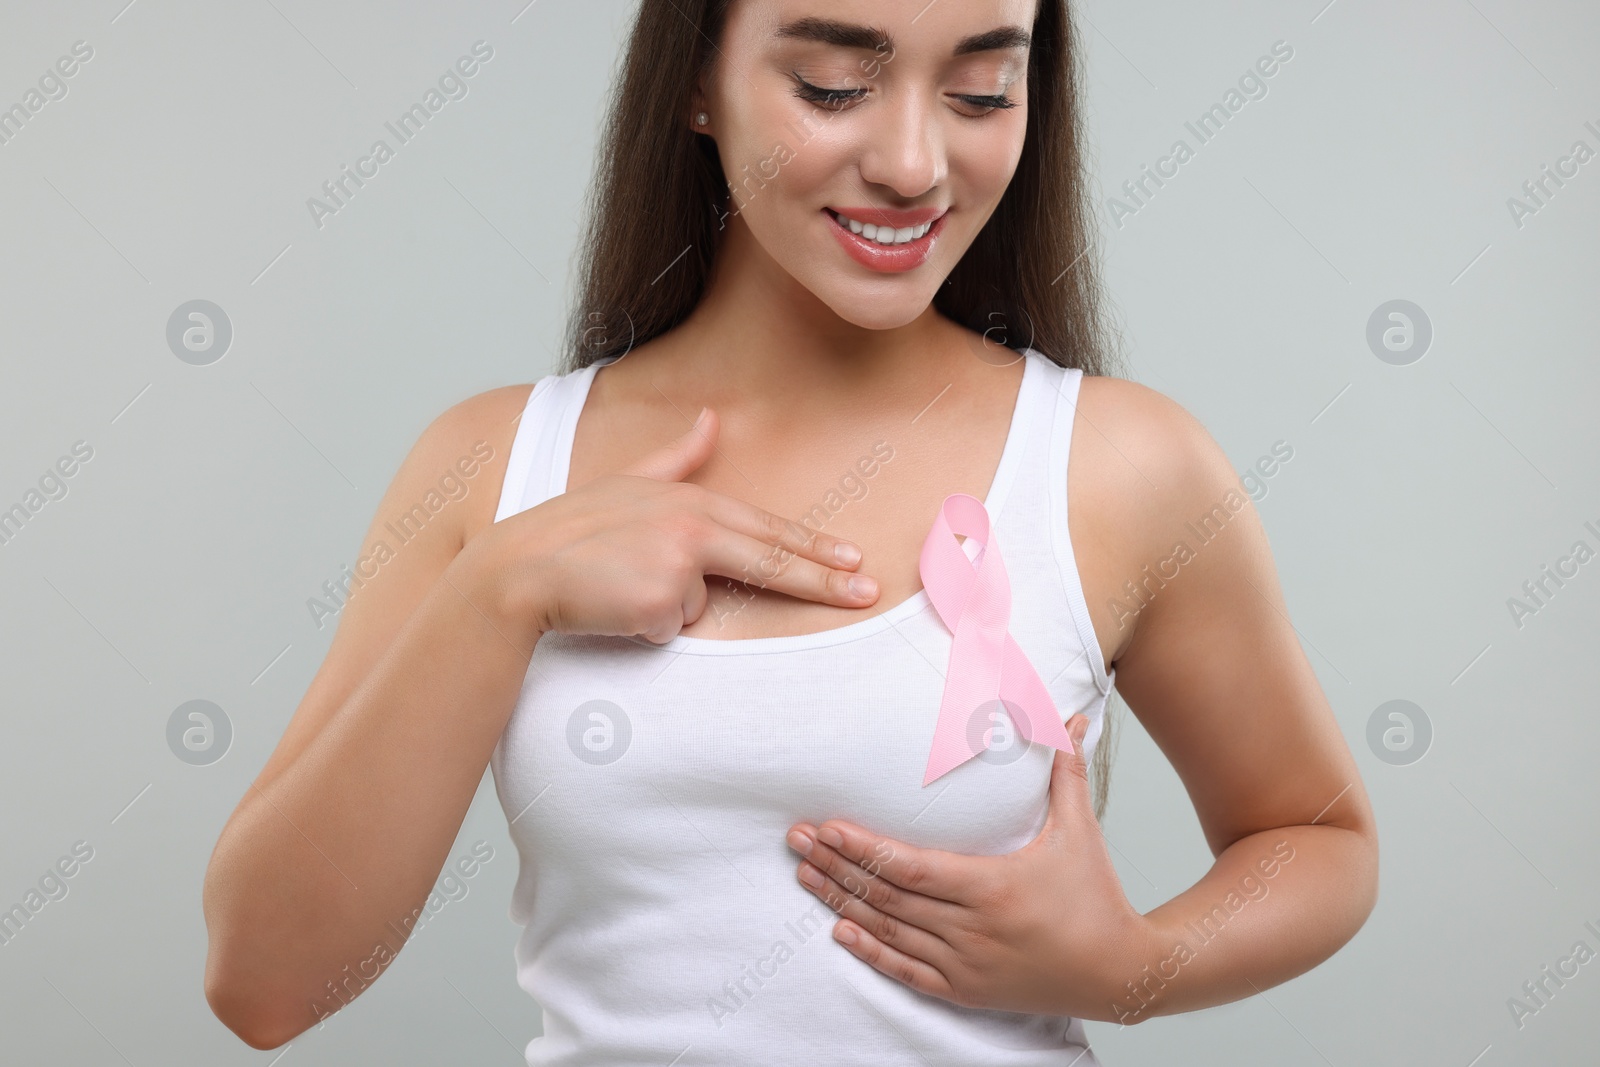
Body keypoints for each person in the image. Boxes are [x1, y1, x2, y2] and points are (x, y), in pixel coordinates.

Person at [201, 0, 1379, 1060]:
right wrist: (501, 585)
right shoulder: (491, 468)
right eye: (831, 86)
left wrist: (1129, 970)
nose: (915, 164)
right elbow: (267, 984)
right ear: (696, 78)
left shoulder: (1119, 465)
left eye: (980, 92)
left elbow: (1319, 837)